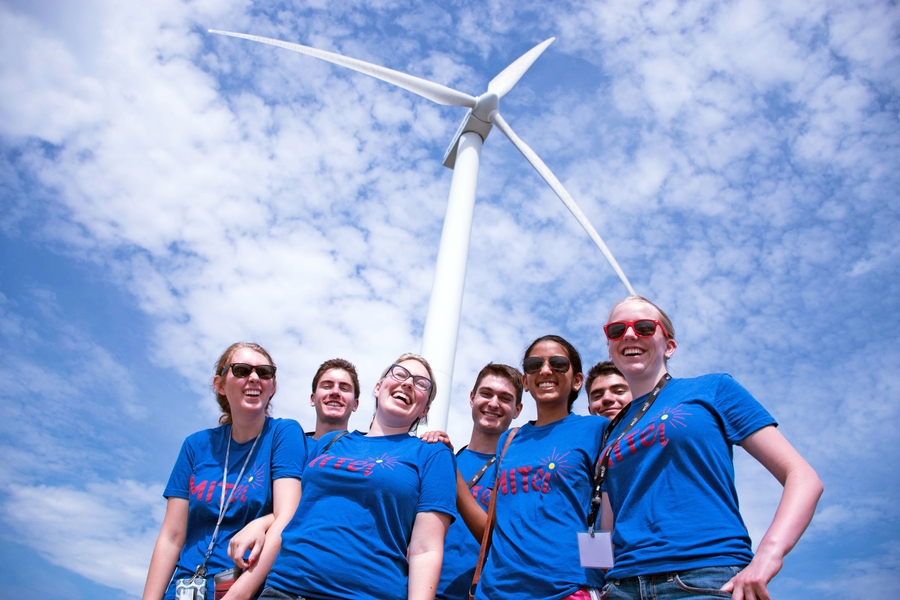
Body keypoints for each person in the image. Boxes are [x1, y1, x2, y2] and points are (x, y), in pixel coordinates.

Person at [599, 296, 823, 600]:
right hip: (621, 588)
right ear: (611, 347)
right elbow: (606, 526)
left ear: (670, 345)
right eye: (616, 330)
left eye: (644, 327)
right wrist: (597, 584)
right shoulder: (612, 433)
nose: (629, 334)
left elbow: (803, 476)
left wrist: (768, 556)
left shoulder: (712, 389)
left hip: (704, 578)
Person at [260, 353, 458, 600]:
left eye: (421, 383)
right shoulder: (330, 443)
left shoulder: (432, 454)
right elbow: (292, 509)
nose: (408, 383)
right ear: (378, 388)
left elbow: (425, 550)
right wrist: (260, 524)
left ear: (424, 409)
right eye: (400, 373)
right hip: (283, 589)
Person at [142, 342, 306, 600]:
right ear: (219, 384)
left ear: (272, 386)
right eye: (241, 370)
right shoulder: (196, 445)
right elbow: (172, 536)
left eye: (264, 372)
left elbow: (288, 514)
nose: (254, 377)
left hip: (241, 587)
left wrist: (238, 595)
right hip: (183, 588)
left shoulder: (283, 434)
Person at [457, 335, 608, 600]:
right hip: (495, 591)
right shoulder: (509, 440)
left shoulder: (596, 430)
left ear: (577, 381)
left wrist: (600, 573)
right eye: (534, 363)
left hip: (567, 589)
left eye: (558, 363)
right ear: (525, 381)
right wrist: (449, 466)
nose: (546, 370)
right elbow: (492, 528)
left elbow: (609, 510)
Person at [433, 363, 524, 600]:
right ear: (472, 398)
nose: (493, 403)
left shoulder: (519, 470)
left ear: (517, 410)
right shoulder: (440, 458)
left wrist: (449, 468)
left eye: (505, 398)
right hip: (425, 589)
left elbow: (504, 541)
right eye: (486, 393)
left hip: (484, 593)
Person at [307, 357, 360, 440]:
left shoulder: (364, 451)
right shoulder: (289, 446)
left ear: (355, 404)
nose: (335, 392)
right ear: (313, 399)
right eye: (327, 386)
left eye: (344, 388)